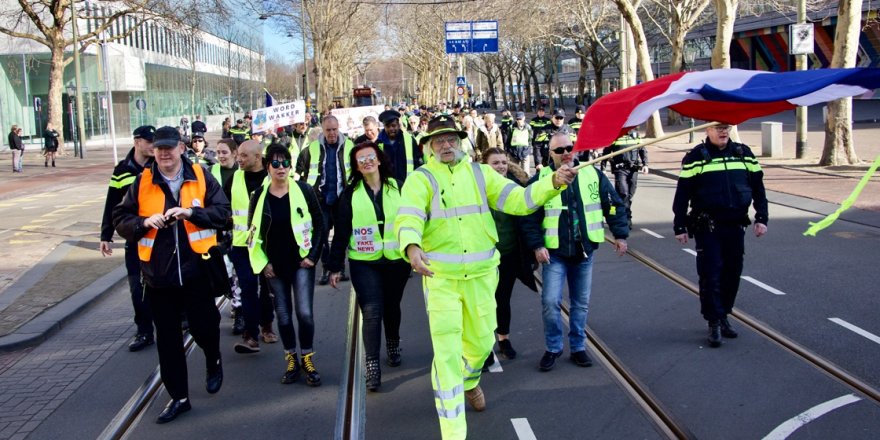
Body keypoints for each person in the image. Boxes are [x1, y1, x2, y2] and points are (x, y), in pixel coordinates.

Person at [395, 115, 576, 440]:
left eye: (451, 139)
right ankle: (453, 432)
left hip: (481, 277)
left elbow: (519, 201)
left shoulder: (481, 174)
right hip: (441, 280)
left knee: (480, 346)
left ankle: (469, 381)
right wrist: (411, 245)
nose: (446, 145)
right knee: (448, 355)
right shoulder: (420, 179)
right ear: (429, 146)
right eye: (439, 140)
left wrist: (553, 183)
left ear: (460, 141)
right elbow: (408, 214)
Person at [112, 126, 230, 424]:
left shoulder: (202, 176)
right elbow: (120, 219)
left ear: (181, 148)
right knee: (168, 341)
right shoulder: (142, 182)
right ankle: (179, 397)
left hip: (197, 270)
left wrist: (192, 214)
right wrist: (142, 222)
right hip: (158, 276)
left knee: (205, 327)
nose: (164, 153)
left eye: (169, 147)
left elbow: (223, 213)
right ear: (153, 151)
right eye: (159, 148)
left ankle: (213, 358)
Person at [523, 133, 629, 372]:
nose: (566, 153)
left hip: (584, 250)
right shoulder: (540, 178)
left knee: (580, 304)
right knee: (550, 302)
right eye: (559, 150)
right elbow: (528, 214)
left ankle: (578, 347)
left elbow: (613, 204)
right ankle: (553, 347)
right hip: (554, 253)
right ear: (550, 153)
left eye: (570, 147)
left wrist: (620, 234)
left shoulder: (592, 173)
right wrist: (537, 245)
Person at [672, 123, 768, 348]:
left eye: (725, 127)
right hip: (708, 227)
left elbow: (759, 189)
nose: (723, 131)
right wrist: (680, 225)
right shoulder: (696, 157)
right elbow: (682, 194)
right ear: (707, 130)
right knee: (711, 274)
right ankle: (714, 321)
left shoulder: (744, 154)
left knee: (732, 274)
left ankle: (724, 313)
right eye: (717, 127)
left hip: (735, 226)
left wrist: (762, 217)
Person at [327, 142, 410, 392]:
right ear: (356, 166)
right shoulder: (350, 194)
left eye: (370, 157)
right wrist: (335, 266)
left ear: (379, 159)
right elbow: (340, 232)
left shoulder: (398, 187)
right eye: (360, 160)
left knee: (392, 307)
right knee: (372, 310)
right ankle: (372, 365)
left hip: (397, 260)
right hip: (364, 262)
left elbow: (414, 220)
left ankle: (393, 342)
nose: (366, 162)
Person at [248, 144, 325, 386]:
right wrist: (264, 263)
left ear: (290, 166)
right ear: (268, 167)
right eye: (276, 163)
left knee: (304, 313)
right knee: (283, 316)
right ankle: (291, 358)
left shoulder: (304, 190)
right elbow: (252, 234)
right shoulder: (259, 197)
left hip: (301, 262)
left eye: (285, 163)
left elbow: (319, 225)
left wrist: (312, 256)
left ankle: (308, 358)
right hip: (274, 266)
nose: (281, 168)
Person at [100, 125, 157, 352]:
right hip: (134, 237)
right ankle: (144, 331)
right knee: (136, 286)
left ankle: (179, 317)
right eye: (149, 141)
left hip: (159, 237)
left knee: (166, 281)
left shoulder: (160, 166)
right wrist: (106, 234)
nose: (154, 146)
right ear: (137, 142)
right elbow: (112, 204)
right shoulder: (122, 170)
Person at [481, 148, 536, 363]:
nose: (501, 166)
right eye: (495, 163)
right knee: (484, 303)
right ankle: (484, 347)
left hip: (510, 254)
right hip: (483, 258)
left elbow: (528, 217)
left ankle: (503, 339)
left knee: (502, 299)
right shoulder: (476, 190)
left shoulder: (517, 187)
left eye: (503, 162)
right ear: (485, 166)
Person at [228, 140, 278, 353]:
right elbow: (222, 206)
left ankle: (266, 325)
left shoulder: (274, 177)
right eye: (238, 155)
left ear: (258, 157)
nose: (239, 159)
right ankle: (250, 334)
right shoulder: (234, 178)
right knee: (248, 287)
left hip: (267, 244)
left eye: (244, 156)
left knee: (266, 289)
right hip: (241, 245)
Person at [295, 115, 354, 285]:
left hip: (342, 198)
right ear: (323, 130)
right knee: (321, 235)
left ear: (338, 128)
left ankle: (339, 267)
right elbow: (300, 171)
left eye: (334, 129)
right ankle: (326, 268)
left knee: (342, 234)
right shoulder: (311, 149)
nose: (332, 133)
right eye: (328, 130)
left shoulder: (349, 146)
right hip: (320, 199)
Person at [209, 139, 244, 335]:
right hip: (216, 231)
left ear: (234, 153)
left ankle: (240, 311)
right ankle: (233, 299)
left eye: (224, 152)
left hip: (237, 231)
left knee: (237, 272)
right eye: (218, 152)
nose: (221, 156)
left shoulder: (241, 173)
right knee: (223, 271)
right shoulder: (211, 172)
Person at [602, 129, 648, 228]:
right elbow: (606, 152)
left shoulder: (635, 135)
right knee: (624, 193)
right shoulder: (615, 134)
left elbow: (642, 150)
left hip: (633, 170)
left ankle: (613, 211)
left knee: (630, 194)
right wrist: (603, 168)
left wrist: (645, 164)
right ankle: (626, 218)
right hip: (620, 170)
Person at [376, 109, 423, 181]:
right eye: (388, 126)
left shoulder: (409, 140)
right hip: (387, 186)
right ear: (384, 127)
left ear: (398, 125)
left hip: (408, 184)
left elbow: (417, 162)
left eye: (393, 125)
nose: (391, 128)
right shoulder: (378, 144)